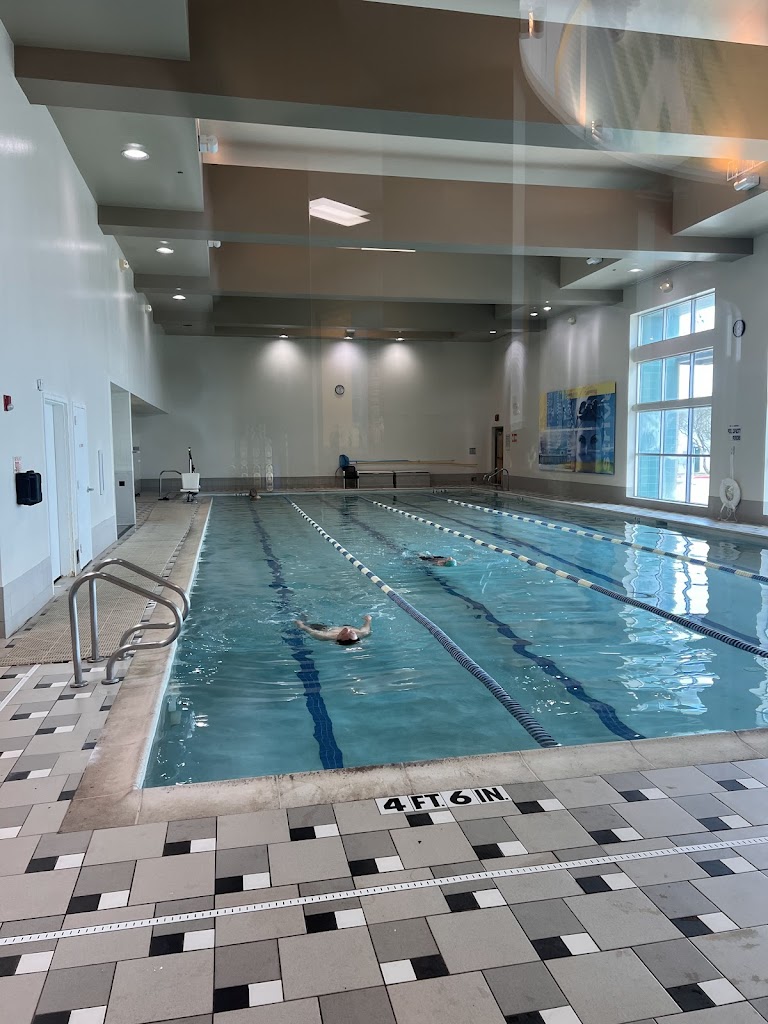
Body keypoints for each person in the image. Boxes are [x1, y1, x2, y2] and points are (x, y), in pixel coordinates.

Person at [295, 615, 372, 645]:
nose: (346, 629)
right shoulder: (362, 633)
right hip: (343, 626)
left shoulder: (324, 636)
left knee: (308, 622)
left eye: (343, 633)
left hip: (326, 629)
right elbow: (366, 628)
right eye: (351, 632)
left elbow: (308, 630)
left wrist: (301, 625)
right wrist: (368, 620)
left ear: (338, 638)